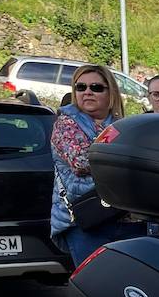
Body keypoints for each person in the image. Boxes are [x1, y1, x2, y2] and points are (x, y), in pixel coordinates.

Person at [49, 64, 143, 266]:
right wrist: (127, 154)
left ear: (111, 93)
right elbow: (82, 161)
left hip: (127, 219)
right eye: (80, 87)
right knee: (98, 289)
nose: (87, 92)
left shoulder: (123, 124)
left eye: (96, 87)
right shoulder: (65, 123)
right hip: (88, 222)